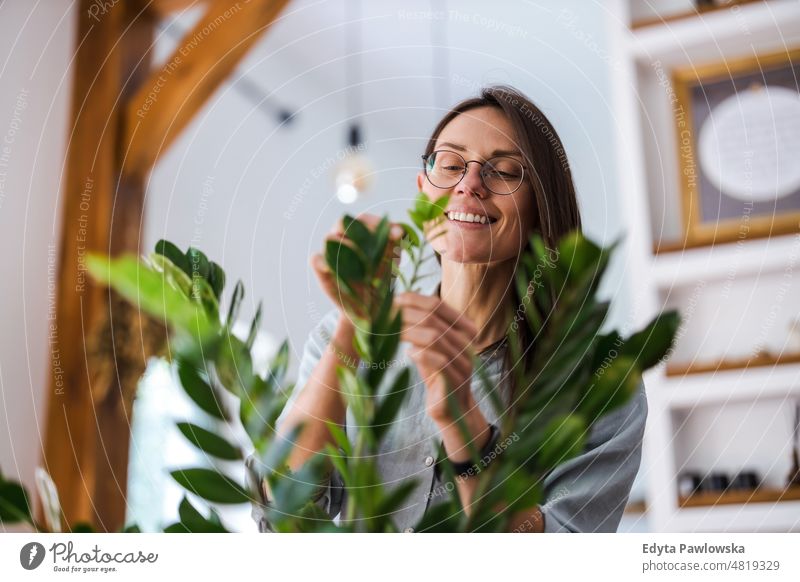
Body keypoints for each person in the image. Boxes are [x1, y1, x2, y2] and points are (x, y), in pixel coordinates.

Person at [246, 85, 647, 533]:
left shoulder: (598, 380)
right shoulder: (343, 340)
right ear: (424, 192)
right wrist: (353, 328)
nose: (469, 184)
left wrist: (466, 426)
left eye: (504, 171)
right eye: (451, 164)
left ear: (540, 204)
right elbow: (283, 505)